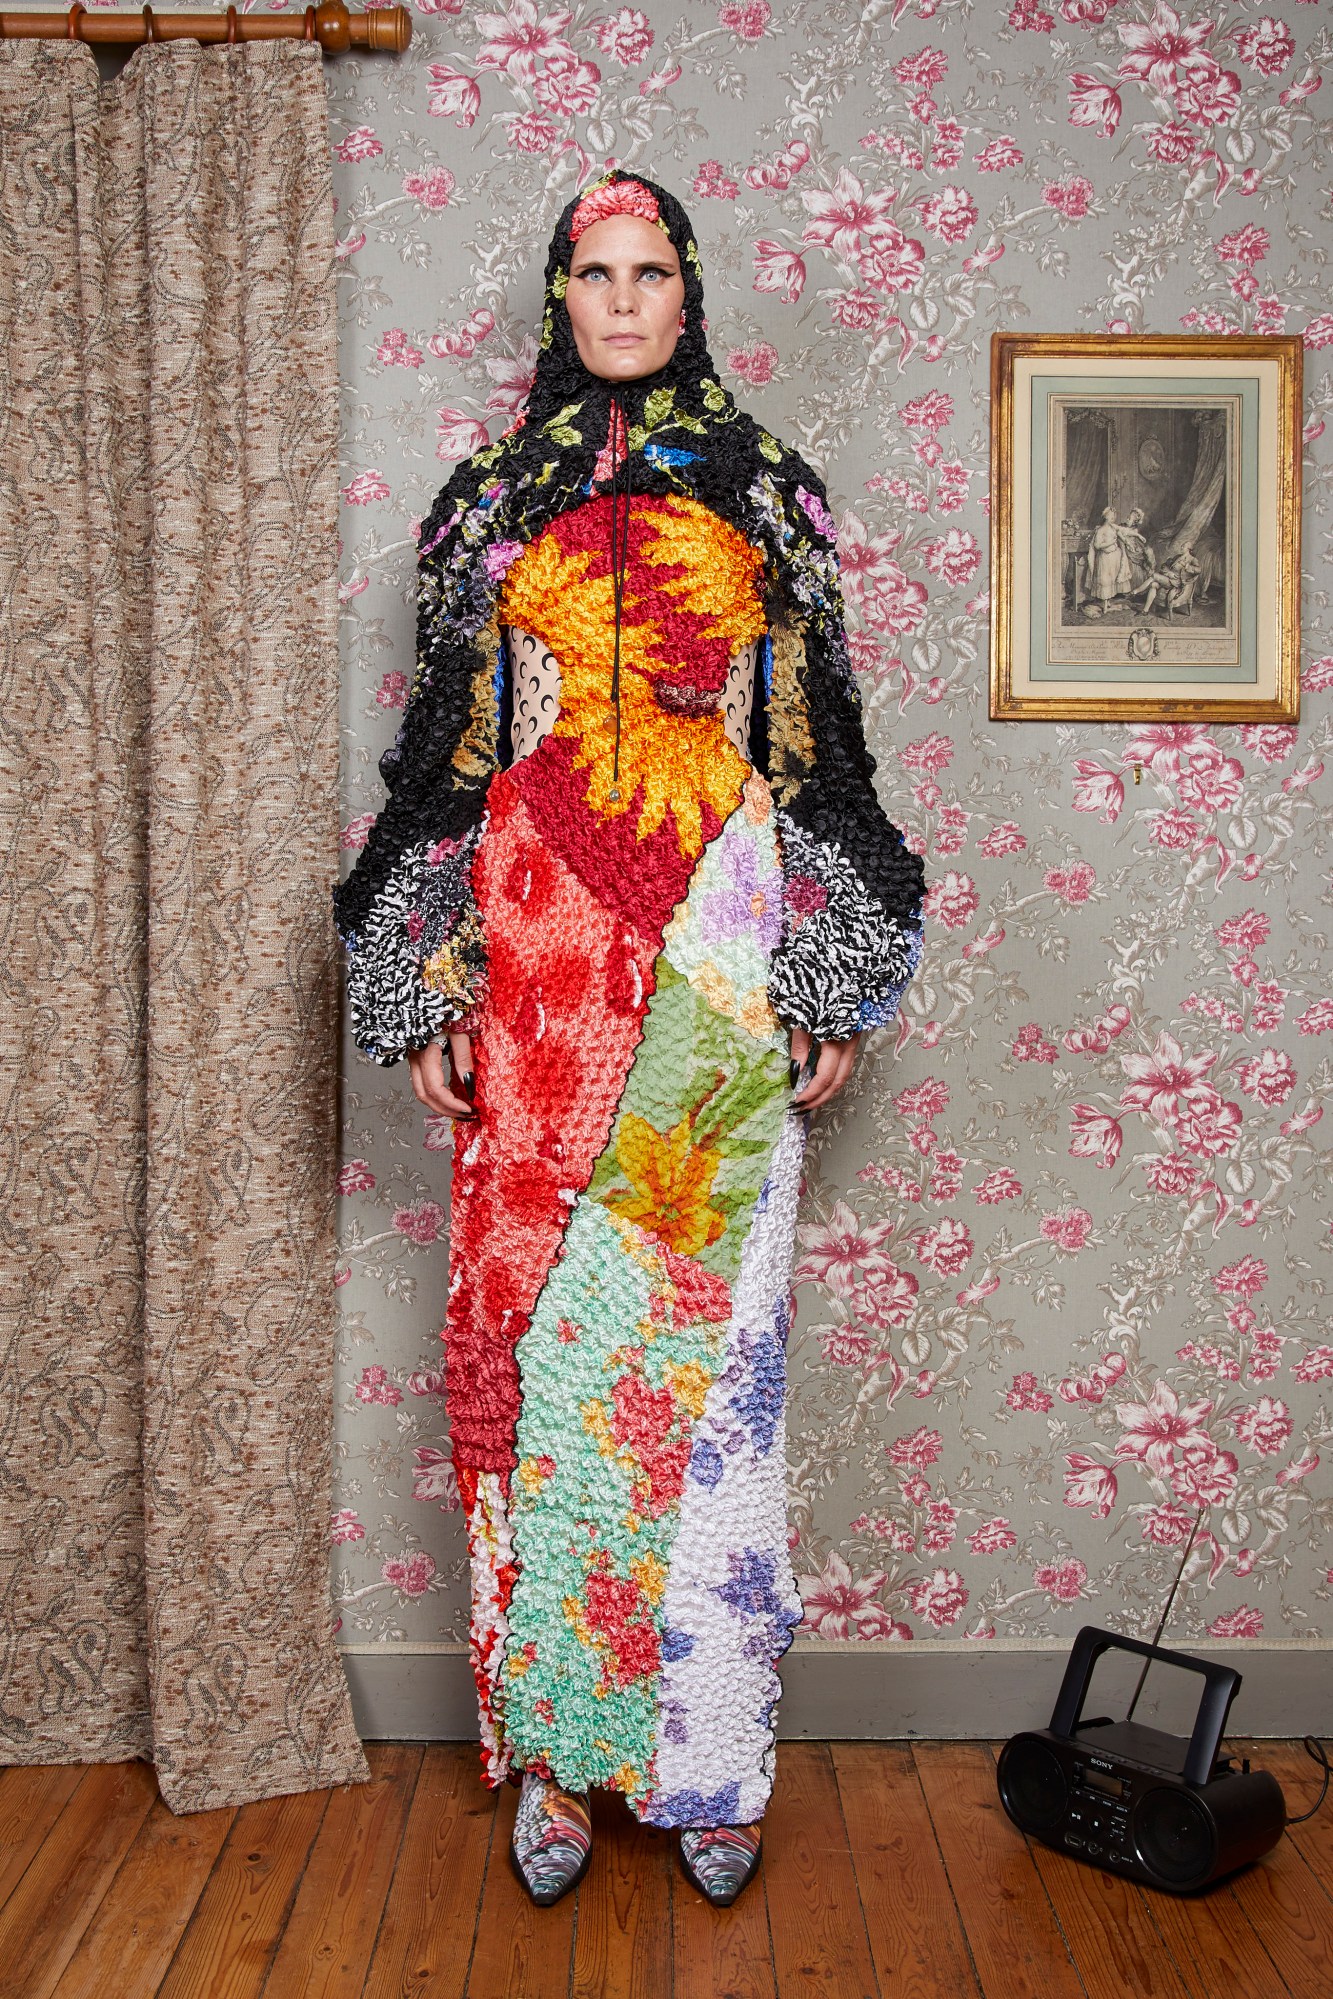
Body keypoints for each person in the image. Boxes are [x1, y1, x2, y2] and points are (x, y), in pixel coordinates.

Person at [333, 171, 925, 1909]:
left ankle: (709, 1757)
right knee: (529, 1348)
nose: (618, 300)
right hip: (530, 957)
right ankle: (557, 1762)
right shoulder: (483, 506)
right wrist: (426, 981)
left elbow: (823, 758)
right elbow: (441, 763)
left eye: (646, 271)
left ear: (687, 292)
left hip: (720, 949)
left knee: (710, 1365)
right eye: (591, 272)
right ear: (557, 297)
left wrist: (825, 977)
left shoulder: (768, 493)